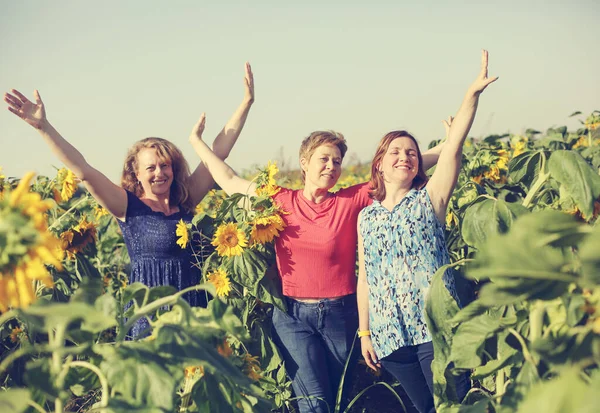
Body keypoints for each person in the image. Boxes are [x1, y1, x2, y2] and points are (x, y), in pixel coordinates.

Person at [188, 87, 445, 412]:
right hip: (293, 315)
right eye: (324, 159)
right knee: (315, 402)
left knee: (338, 395)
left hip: (340, 313)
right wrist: (197, 142)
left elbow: (398, 167)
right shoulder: (279, 200)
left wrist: (447, 147)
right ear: (304, 162)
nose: (331, 166)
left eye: (337, 161)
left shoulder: (351, 200)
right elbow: (228, 178)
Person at [3, 62, 255, 339]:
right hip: (149, 320)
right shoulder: (127, 206)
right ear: (136, 173)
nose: (160, 173)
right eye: (151, 168)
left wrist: (246, 103)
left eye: (165, 166)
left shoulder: (186, 199)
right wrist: (43, 126)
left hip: (194, 314)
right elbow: (84, 171)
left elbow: (218, 152)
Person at [357, 50, 497, 413]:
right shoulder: (366, 217)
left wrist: (472, 94)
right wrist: (365, 332)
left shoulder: (429, 198)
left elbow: (453, 148)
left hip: (436, 329)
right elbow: (366, 280)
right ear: (380, 165)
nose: (405, 157)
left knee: (454, 407)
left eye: (412, 153)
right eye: (396, 152)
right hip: (390, 337)